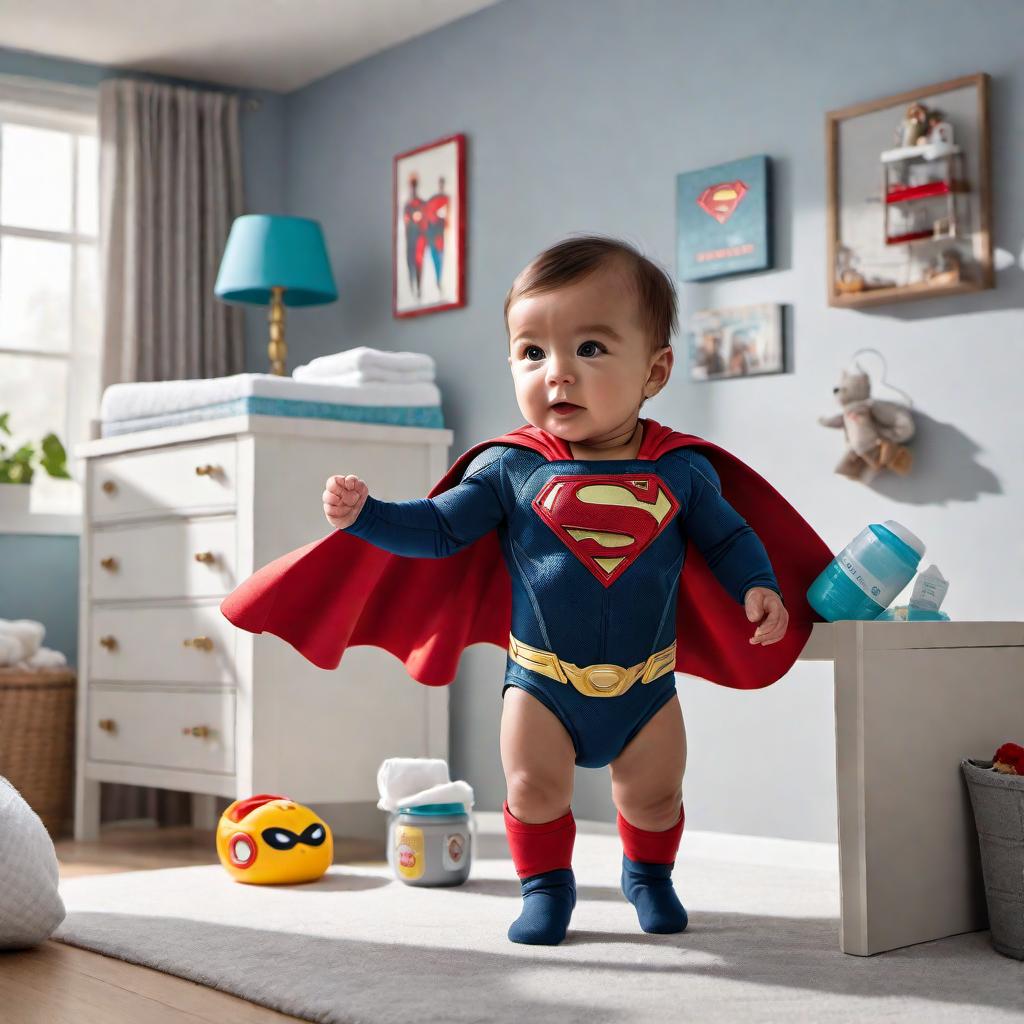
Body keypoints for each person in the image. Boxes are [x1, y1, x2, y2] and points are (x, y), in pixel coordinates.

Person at [221, 235, 831, 947]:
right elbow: (443, 531)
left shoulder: (683, 472)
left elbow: (729, 540)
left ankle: (650, 878)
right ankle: (545, 889)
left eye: (591, 349)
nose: (557, 374)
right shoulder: (511, 468)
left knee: (655, 795)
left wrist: (757, 585)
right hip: (541, 683)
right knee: (534, 790)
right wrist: (371, 516)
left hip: (648, 685)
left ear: (655, 370)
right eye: (532, 352)